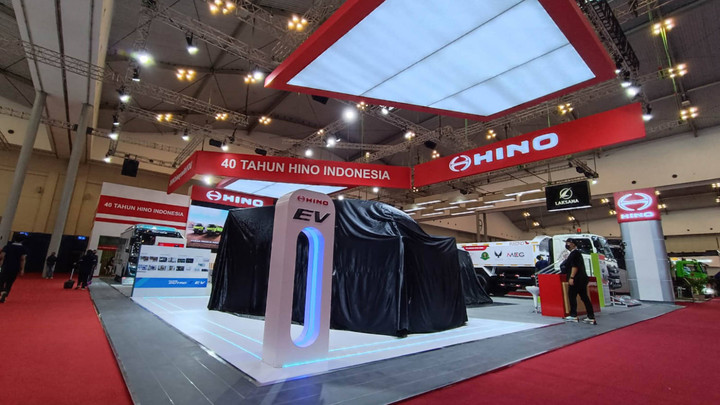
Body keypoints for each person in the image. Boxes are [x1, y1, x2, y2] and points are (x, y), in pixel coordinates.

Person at [561, 238, 596, 325]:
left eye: (568, 243)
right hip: (582, 279)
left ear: (573, 244)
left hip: (576, 279)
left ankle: (573, 315)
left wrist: (571, 277)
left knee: (572, 296)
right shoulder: (576, 253)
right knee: (584, 297)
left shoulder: (574, 253)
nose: (567, 244)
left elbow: (574, 266)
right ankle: (591, 316)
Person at [0, 234, 29, 303]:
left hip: (6, 266)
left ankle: (2, 291)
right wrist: (22, 269)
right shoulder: (23, 249)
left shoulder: (7, 246)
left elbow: (2, 256)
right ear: (22, 241)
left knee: (1, 280)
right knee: (10, 282)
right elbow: (23, 259)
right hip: (15, 268)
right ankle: (5, 295)